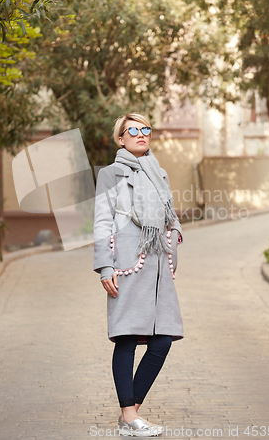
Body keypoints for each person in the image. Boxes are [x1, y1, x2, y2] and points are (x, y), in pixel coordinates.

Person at [93, 112, 184, 437]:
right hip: (128, 263)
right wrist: (105, 265)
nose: (141, 134)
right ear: (121, 138)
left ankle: (130, 412)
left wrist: (174, 241)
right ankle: (129, 416)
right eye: (133, 130)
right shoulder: (110, 174)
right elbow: (103, 221)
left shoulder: (159, 173)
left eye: (146, 129)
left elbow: (169, 214)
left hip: (158, 265)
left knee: (162, 341)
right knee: (128, 338)